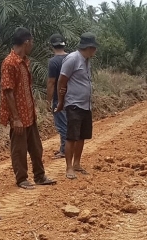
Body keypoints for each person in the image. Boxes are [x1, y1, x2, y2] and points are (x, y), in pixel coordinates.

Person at [0, 27, 56, 189]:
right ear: (26, 42)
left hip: (29, 114)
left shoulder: (24, 61)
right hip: (19, 117)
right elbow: (8, 91)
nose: (32, 45)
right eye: (31, 42)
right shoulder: (10, 63)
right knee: (19, 149)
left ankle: (40, 176)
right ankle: (22, 178)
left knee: (36, 147)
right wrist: (15, 118)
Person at [55, 32, 98, 179]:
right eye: (94, 48)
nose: (95, 51)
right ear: (89, 47)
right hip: (74, 104)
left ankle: (77, 164)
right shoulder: (72, 59)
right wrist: (61, 102)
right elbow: (62, 81)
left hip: (86, 105)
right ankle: (69, 168)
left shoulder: (86, 60)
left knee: (82, 136)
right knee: (72, 136)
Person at [47, 33, 68, 159]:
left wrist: (48, 100)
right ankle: (65, 147)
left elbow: (51, 82)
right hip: (72, 96)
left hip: (58, 98)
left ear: (52, 46)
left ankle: (65, 150)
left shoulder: (53, 62)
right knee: (68, 122)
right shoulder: (71, 58)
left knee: (62, 124)